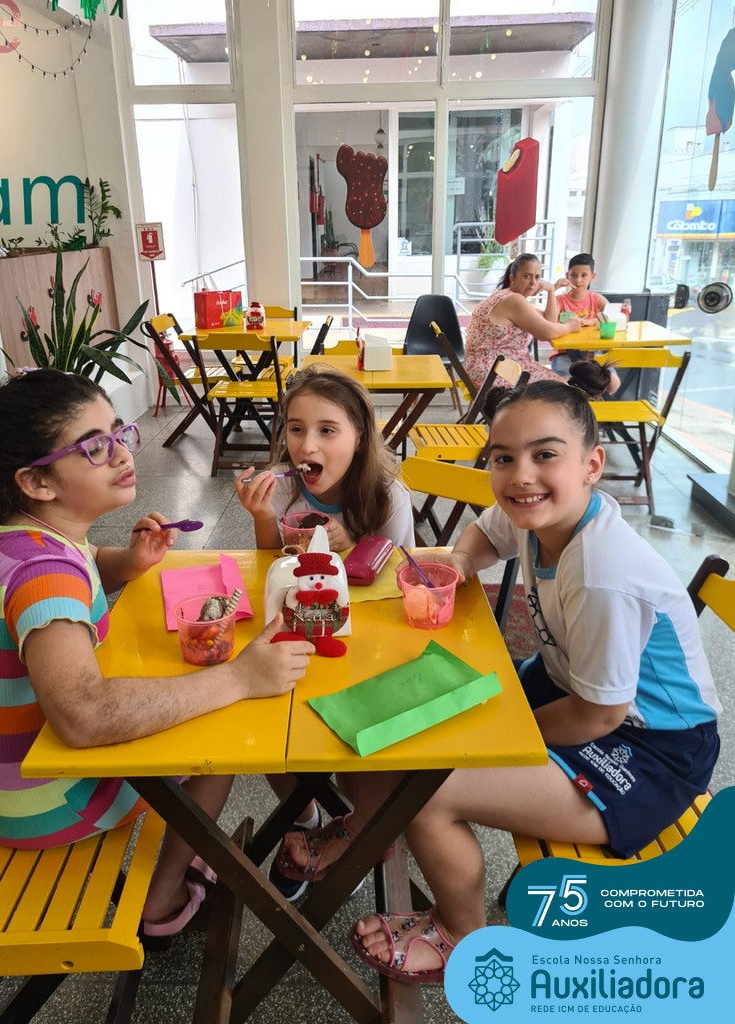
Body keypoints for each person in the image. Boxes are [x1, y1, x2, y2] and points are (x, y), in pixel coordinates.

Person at [278, 378, 721, 983]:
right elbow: (487, 531)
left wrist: (493, 739)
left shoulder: (602, 573)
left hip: (647, 750)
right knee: (403, 701)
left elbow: (599, 715)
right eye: (503, 457)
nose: (521, 476)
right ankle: (365, 828)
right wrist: (462, 561)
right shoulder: (540, 515)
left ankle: (461, 934)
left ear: (592, 465)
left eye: (545, 454)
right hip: (565, 685)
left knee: (428, 787)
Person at [0, 369, 313, 943]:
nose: (124, 453)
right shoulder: (43, 574)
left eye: (119, 432)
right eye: (95, 447)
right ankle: (163, 897)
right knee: (219, 736)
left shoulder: (18, 536)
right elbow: (83, 714)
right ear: (37, 481)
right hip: (44, 800)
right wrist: (239, 678)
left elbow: (79, 569)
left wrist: (127, 563)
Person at [235, 364, 415, 551]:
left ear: (359, 440)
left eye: (327, 430)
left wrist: (350, 547)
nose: (307, 447)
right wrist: (263, 517)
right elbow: (273, 563)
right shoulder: (280, 487)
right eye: (297, 429)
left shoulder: (389, 498)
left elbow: (398, 567)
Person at [463, 253, 581, 390]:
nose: (533, 283)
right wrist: (570, 326)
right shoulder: (513, 300)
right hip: (493, 371)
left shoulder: (507, 296)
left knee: (564, 384)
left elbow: (549, 320)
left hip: (494, 367)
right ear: (513, 278)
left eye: (537, 277)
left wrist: (551, 290)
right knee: (564, 389)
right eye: (527, 276)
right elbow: (547, 333)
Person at [551, 252, 620, 394]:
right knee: (563, 387)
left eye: (584, 275)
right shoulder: (559, 300)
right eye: (574, 275)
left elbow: (613, 319)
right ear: (567, 276)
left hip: (594, 352)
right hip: (565, 353)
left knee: (613, 384)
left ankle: (594, 402)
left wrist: (588, 321)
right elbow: (550, 322)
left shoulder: (597, 299)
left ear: (592, 276)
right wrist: (552, 291)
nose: (578, 280)